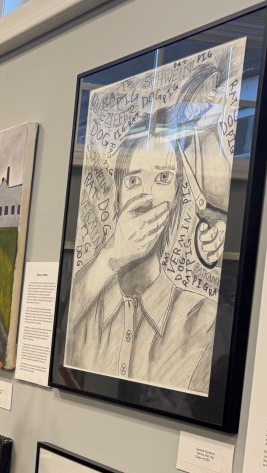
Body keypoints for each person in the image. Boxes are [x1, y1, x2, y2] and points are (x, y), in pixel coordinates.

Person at [64, 114, 217, 394]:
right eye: (134, 181)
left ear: (176, 196)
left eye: (162, 178)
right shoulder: (84, 308)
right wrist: (111, 255)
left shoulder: (203, 319)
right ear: (118, 196)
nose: (147, 197)